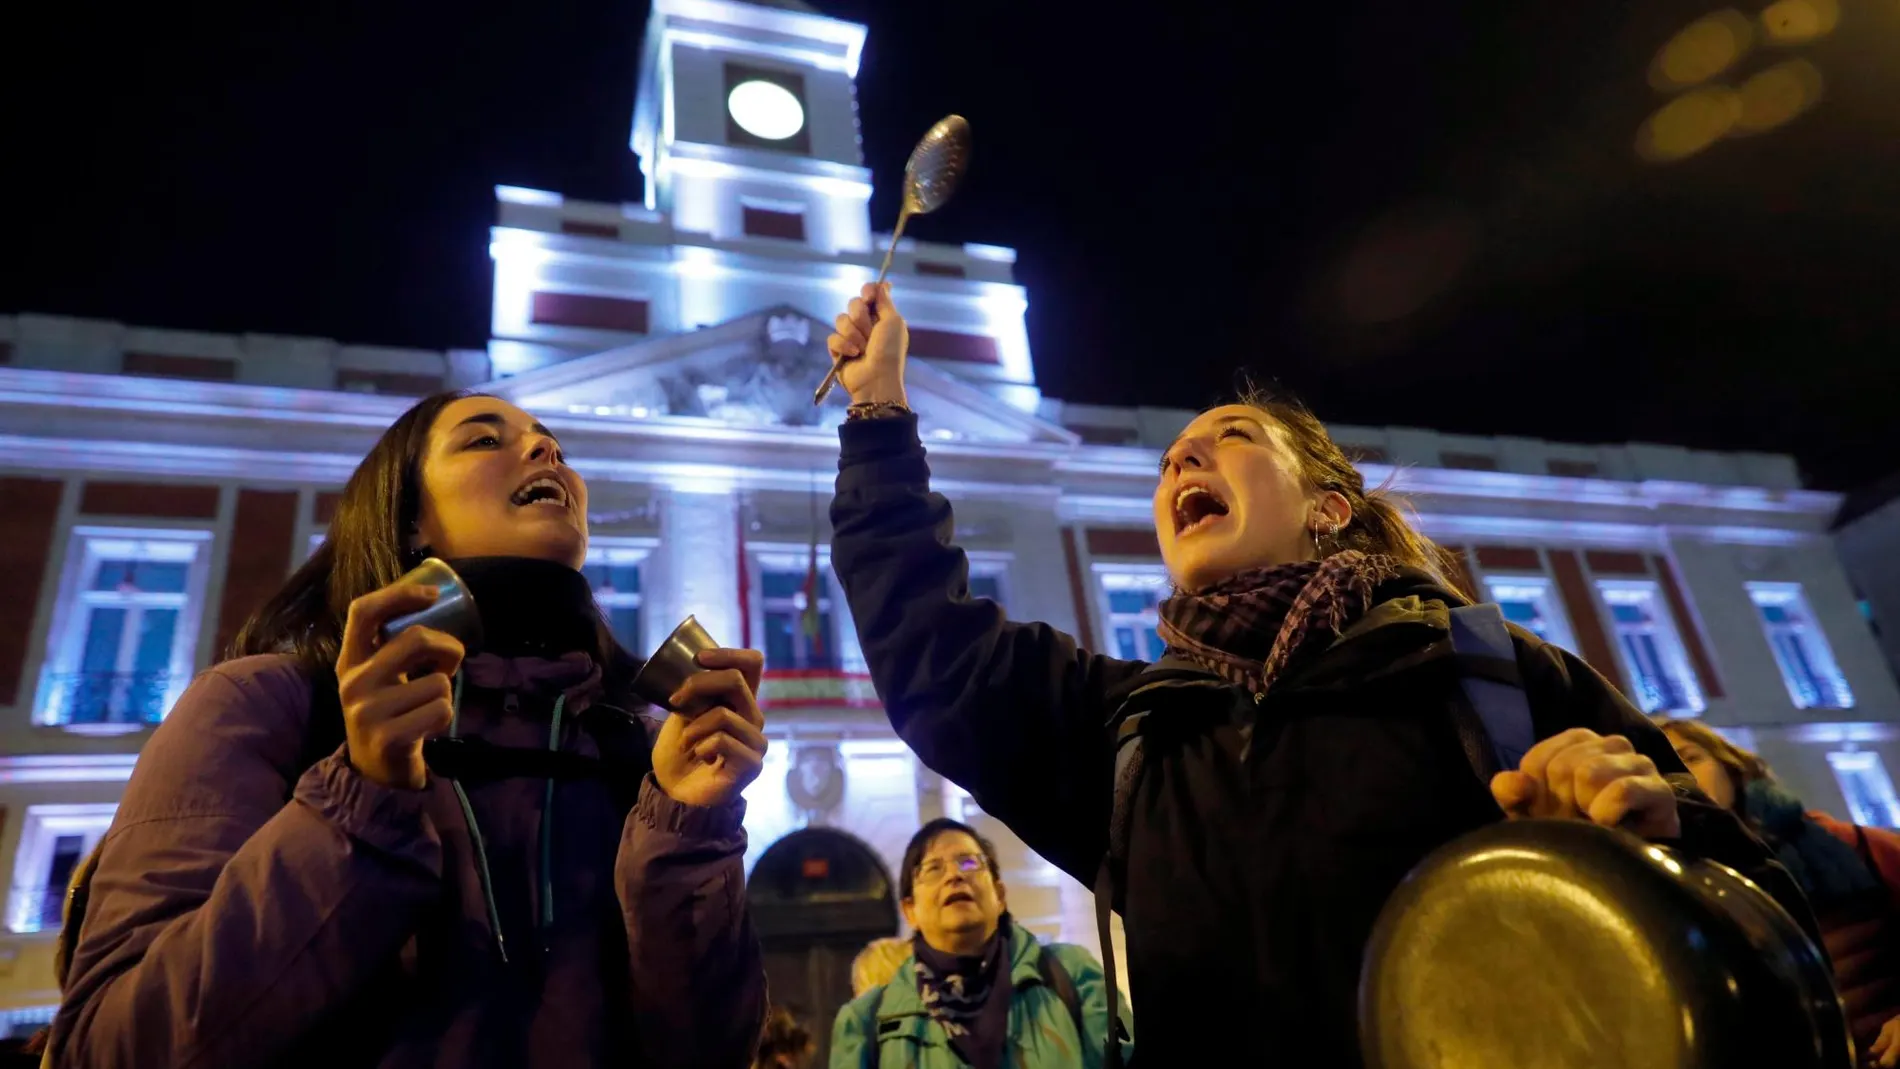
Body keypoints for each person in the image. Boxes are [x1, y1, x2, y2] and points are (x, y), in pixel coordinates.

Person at [821, 281, 1816, 1065]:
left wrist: (1659, 848)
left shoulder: (1485, 676)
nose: (1178, 465)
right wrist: (875, 408)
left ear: (1326, 507)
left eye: (1228, 440)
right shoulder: (1134, 735)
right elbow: (932, 649)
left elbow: (1772, 927)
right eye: (1169, 461)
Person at [42, 391, 770, 1068]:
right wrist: (357, 808)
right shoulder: (265, 706)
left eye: (556, 448)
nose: (551, 456)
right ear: (408, 517)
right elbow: (107, 1043)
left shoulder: (633, 751)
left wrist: (688, 827)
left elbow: (709, 1048)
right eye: (485, 439)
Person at [1660, 718, 1900, 1065]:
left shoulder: (1842, 843)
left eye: (1691, 758)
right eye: (1664, 771)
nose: (1684, 778)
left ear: (1731, 766)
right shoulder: (1675, 883)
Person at [831, 819, 1132, 1069]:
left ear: (999, 895)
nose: (955, 876)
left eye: (969, 862)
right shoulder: (865, 1022)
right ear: (910, 910)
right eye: (933, 868)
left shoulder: (1071, 977)